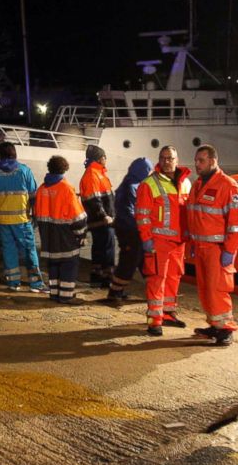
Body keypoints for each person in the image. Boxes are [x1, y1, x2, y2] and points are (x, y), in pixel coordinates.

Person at [186, 144, 238, 346]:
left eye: (201, 161)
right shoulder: (198, 185)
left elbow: (237, 224)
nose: (197, 164)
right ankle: (214, 325)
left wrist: (230, 250)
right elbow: (195, 216)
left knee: (218, 289)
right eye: (196, 161)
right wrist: (194, 242)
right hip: (202, 247)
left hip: (217, 249)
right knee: (206, 289)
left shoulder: (228, 186)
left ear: (213, 161)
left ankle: (226, 329)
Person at [137, 146, 191, 336]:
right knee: (156, 279)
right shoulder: (149, 184)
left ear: (177, 160)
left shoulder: (185, 183)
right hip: (159, 240)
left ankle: (168, 313)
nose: (167, 161)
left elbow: (188, 213)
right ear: (159, 160)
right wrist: (146, 239)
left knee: (174, 277)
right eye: (163, 158)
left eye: (171, 158)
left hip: (179, 241)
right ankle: (154, 319)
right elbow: (142, 215)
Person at [0, 142, 44, 292]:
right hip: (22, 220)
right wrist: (35, 214)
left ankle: (13, 283)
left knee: (8, 250)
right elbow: (33, 196)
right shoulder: (24, 171)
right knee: (29, 250)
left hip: (2, 221)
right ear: (14, 153)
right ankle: (35, 284)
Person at [33, 156, 87, 304]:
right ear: (65, 168)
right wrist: (81, 234)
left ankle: (55, 293)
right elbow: (77, 216)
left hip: (47, 234)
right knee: (69, 263)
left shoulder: (42, 189)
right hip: (64, 235)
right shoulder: (66, 188)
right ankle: (66, 296)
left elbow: (36, 214)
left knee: (53, 263)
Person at [109, 157, 153, 300]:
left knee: (140, 259)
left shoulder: (132, 183)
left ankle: (153, 290)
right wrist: (141, 227)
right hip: (129, 230)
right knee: (129, 260)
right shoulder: (132, 186)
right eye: (149, 169)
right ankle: (115, 292)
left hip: (130, 228)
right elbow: (130, 212)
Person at [79, 144, 116, 288]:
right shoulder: (93, 174)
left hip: (100, 221)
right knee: (107, 249)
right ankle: (106, 278)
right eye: (105, 157)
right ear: (101, 158)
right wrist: (105, 216)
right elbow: (94, 199)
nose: (106, 159)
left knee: (100, 248)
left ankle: (98, 276)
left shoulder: (96, 173)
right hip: (102, 221)